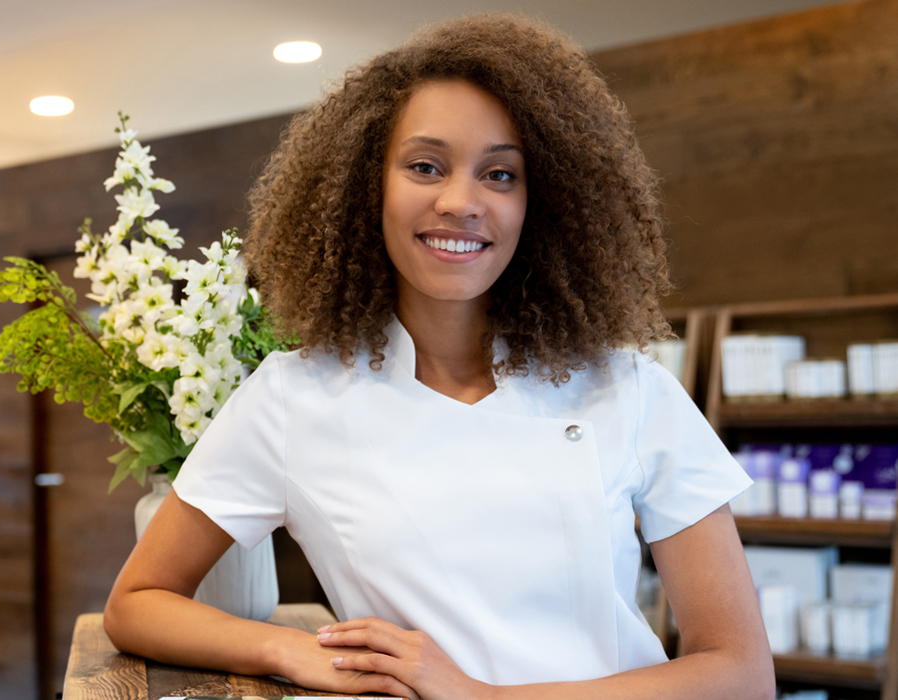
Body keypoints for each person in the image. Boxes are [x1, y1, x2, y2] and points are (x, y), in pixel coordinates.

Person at [103, 13, 775, 700]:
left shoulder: (630, 389)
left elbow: (740, 672)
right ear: (369, 188)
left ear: (543, 204)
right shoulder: (294, 397)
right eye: (425, 166)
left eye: (501, 174)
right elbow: (138, 600)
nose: (461, 202)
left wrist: (483, 699)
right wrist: (291, 650)